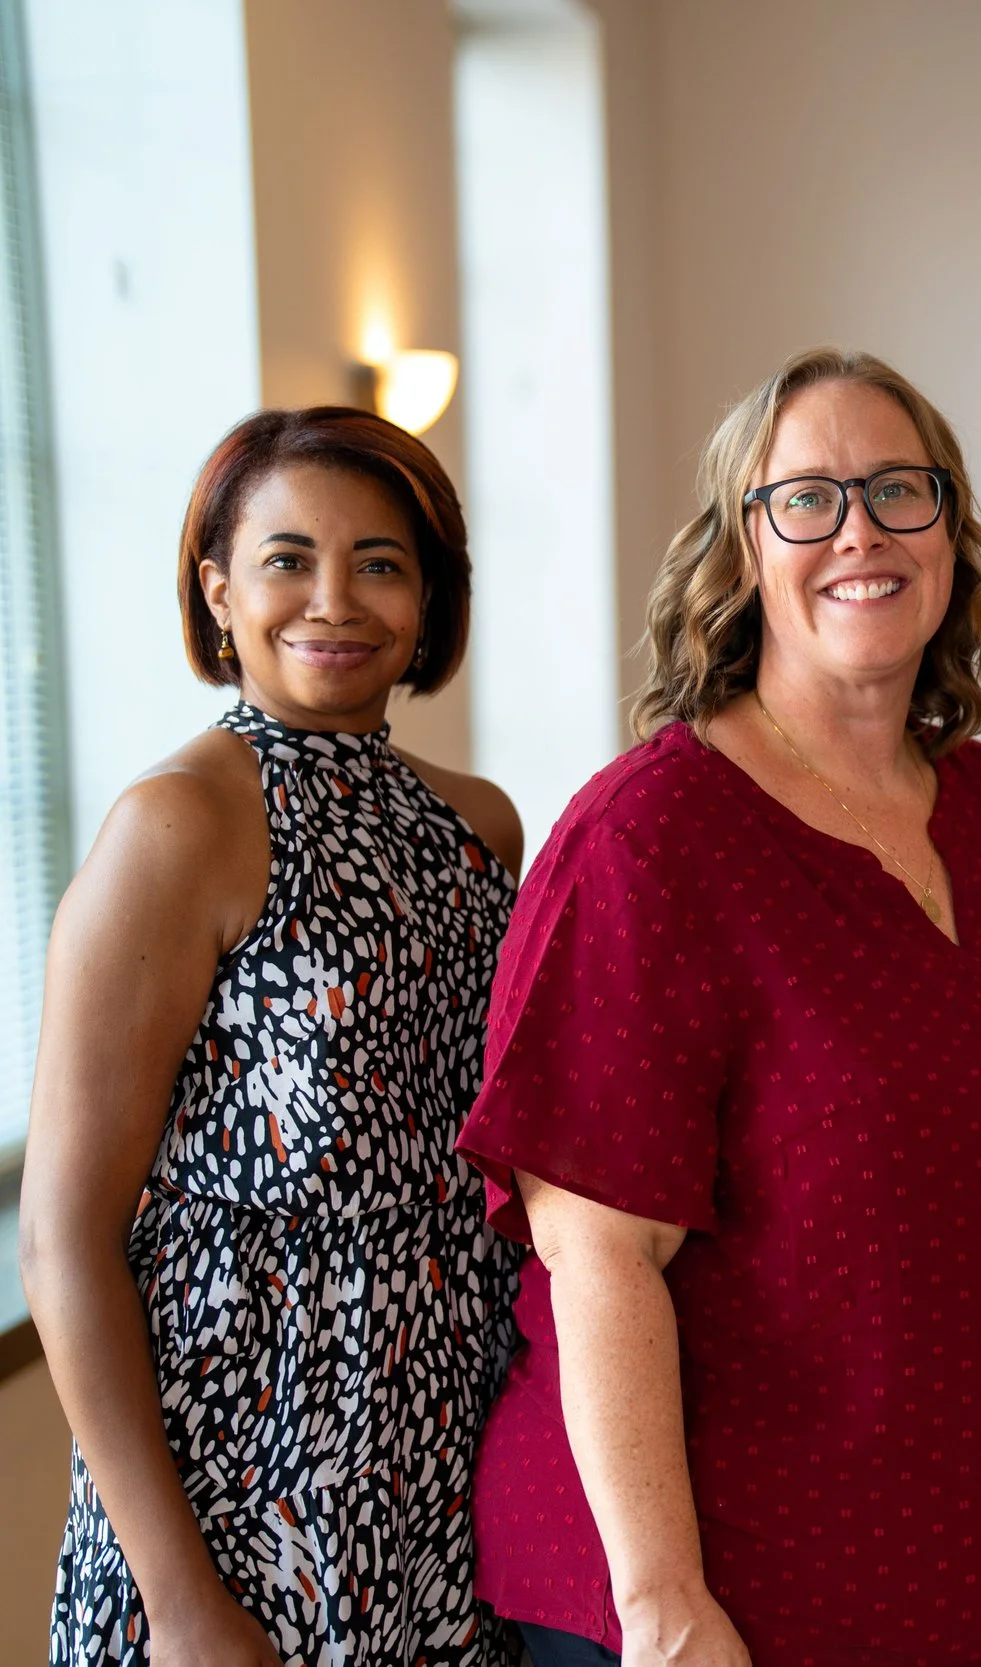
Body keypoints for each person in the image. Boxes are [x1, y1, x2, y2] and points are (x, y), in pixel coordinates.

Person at [455, 348, 981, 1667]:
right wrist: (664, 1600)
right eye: (808, 497)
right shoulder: (649, 840)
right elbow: (599, 1256)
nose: (861, 530)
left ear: (953, 532)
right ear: (739, 546)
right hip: (743, 1594)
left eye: (902, 489)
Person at [20, 407, 526, 1664]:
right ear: (220, 588)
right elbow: (61, 1237)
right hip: (242, 1484)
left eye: (382, 562)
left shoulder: (480, 828)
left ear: (429, 602)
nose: (334, 599)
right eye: (288, 557)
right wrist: (181, 1601)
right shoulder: (179, 824)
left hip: (440, 1456)